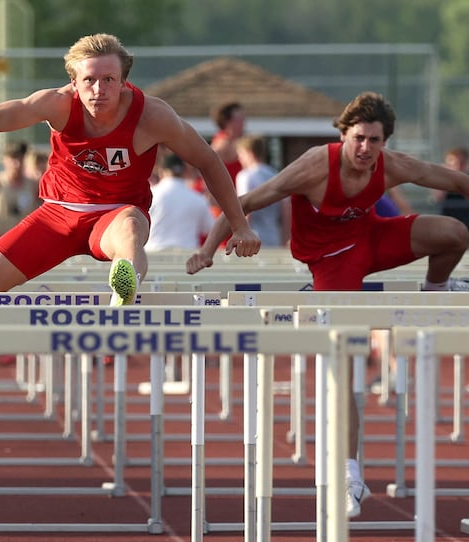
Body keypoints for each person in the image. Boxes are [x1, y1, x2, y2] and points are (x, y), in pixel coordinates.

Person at [186, 91, 469, 519]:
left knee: (452, 232)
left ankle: (434, 292)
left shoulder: (390, 165)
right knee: (345, 364)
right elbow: (242, 203)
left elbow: (452, 181)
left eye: (374, 141)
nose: (365, 149)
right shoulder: (317, 165)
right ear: (344, 134)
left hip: (373, 239)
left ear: (384, 142)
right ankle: (348, 474)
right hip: (330, 261)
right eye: (359, 139)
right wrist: (209, 250)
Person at [0, 33, 258, 305]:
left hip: (115, 214)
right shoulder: (57, 104)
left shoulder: (152, 116)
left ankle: (125, 285)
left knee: (131, 228)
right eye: (89, 80)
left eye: (109, 80)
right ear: (74, 83)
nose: (99, 89)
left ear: (123, 82)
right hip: (58, 214)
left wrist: (239, 225)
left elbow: (208, 160)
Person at [145, 152, 214, 251]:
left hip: (153, 254)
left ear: (161, 171)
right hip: (186, 256)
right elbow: (210, 228)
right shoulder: (198, 199)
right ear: (184, 171)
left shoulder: (151, 195)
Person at [235, 134, 290, 247]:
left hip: (252, 238)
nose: (239, 158)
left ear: (250, 153)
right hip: (274, 236)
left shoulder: (245, 176)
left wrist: (241, 236)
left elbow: (244, 208)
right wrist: (285, 238)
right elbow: (286, 210)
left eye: (241, 154)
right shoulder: (276, 175)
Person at [431, 146, 469, 229]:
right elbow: (437, 198)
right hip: (447, 222)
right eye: (454, 163)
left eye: (461, 163)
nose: (458, 167)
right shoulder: (442, 178)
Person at [210, 101, 246, 186]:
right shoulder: (222, 144)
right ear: (227, 122)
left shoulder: (239, 141)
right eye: (239, 119)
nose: (243, 122)